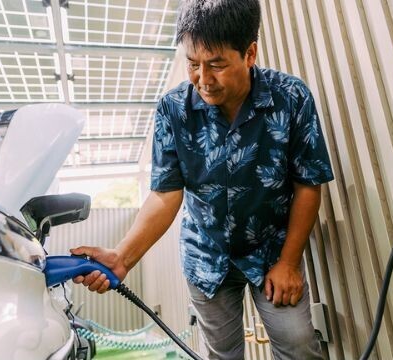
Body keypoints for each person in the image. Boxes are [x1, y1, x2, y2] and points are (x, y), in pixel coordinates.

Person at [71, 0, 331, 359]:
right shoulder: (173, 109)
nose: (203, 79)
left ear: (250, 53)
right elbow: (165, 194)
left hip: (273, 252)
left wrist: (288, 262)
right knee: (222, 355)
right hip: (206, 258)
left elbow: (308, 185)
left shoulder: (291, 97)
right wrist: (122, 258)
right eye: (193, 64)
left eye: (217, 65)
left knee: (299, 344)